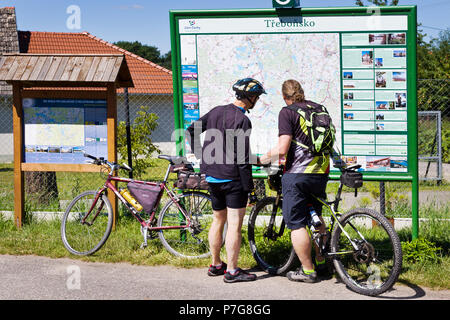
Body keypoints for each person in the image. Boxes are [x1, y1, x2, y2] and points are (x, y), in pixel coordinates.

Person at [186, 78, 266, 283]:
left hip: (213, 177)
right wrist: (250, 188)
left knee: (217, 220)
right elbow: (242, 157)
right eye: (256, 96)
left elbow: (190, 131)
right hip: (233, 179)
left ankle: (215, 264)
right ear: (250, 97)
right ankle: (232, 271)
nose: (256, 99)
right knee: (234, 225)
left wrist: (201, 155)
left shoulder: (216, 111)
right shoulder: (242, 120)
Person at [260, 79, 330, 283]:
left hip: (297, 174)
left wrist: (261, 159)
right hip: (320, 172)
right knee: (316, 217)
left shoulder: (287, 112)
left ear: (285, 96)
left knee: (297, 224)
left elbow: (282, 148)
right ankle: (323, 263)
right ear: (302, 92)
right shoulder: (319, 108)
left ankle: (308, 271)